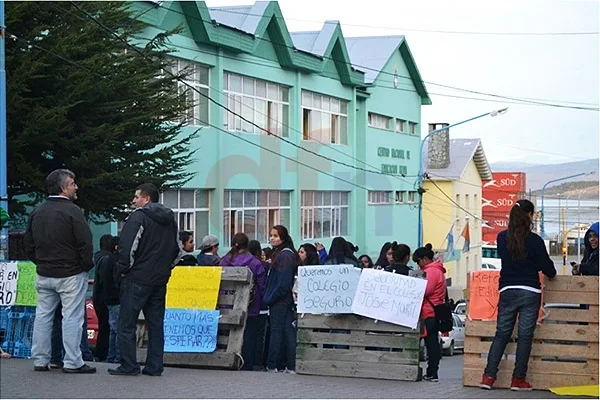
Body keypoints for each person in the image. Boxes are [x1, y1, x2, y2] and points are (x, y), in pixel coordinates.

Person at [24, 169, 96, 373]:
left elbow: (28, 242)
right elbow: (85, 242)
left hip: (44, 272)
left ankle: (40, 360)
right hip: (70, 274)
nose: (76, 187)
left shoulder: (38, 211)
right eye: (73, 183)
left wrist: (39, 261)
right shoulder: (73, 211)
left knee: (43, 316)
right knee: (72, 317)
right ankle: (73, 361)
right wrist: (85, 265)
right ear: (64, 188)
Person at [480, 199, 556, 391]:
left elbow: (507, 258)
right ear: (529, 216)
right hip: (530, 291)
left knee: (501, 334)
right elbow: (548, 269)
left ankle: (488, 377)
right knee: (524, 336)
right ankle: (518, 380)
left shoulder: (501, 237)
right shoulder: (535, 240)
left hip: (507, 290)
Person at [108, 183, 181, 377]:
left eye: (136, 196)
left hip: (137, 278)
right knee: (156, 324)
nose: (133, 200)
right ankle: (155, 366)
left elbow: (127, 248)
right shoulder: (170, 220)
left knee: (127, 324)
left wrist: (123, 271)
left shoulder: (138, 217)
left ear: (146, 199)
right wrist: (166, 268)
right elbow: (177, 249)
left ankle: (129, 365)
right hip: (160, 280)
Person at [220, 233, 266, 371]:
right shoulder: (255, 263)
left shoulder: (223, 261)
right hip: (249, 307)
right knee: (249, 336)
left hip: (226, 305)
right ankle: (247, 364)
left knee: (226, 335)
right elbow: (262, 286)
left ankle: (226, 361)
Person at [263, 225, 299, 373]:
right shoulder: (281, 253)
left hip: (280, 301)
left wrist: (270, 298)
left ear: (283, 238)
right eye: (271, 235)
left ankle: (274, 365)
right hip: (281, 300)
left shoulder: (285, 255)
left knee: (278, 333)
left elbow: (283, 283)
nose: (272, 238)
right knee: (286, 332)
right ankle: (288, 365)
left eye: (276, 236)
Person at [412, 243, 447, 382]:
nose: (418, 265)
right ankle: (432, 372)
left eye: (418, 261)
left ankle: (432, 372)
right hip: (431, 312)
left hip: (429, 313)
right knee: (431, 343)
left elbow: (426, 290)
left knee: (431, 344)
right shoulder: (437, 270)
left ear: (425, 259)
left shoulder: (432, 271)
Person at [98, 236, 120, 363]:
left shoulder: (106, 260)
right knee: (117, 329)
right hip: (116, 298)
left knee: (113, 329)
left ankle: (111, 356)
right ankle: (116, 357)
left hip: (109, 299)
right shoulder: (114, 261)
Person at [248, 240, 269, 371]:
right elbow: (262, 286)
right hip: (260, 306)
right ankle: (257, 362)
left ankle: (247, 360)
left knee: (248, 334)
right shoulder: (262, 265)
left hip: (246, 305)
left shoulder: (244, 262)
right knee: (259, 335)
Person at [92, 234, 113, 361]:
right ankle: (104, 353)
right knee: (107, 327)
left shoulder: (98, 258)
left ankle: (100, 353)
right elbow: (106, 281)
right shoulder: (107, 259)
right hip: (105, 298)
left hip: (97, 297)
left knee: (103, 326)